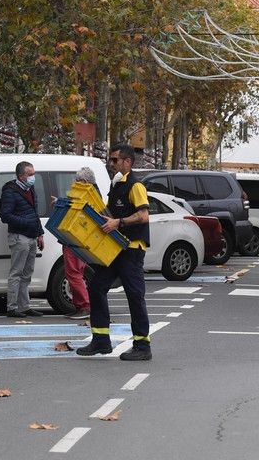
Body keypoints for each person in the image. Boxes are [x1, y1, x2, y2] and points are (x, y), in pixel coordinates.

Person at [77, 144, 151, 361]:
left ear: (127, 162)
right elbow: (109, 212)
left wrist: (118, 223)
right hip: (115, 248)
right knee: (97, 287)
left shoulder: (135, 185)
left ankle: (142, 346)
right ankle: (101, 340)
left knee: (135, 296)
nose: (111, 164)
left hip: (132, 250)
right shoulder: (117, 183)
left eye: (114, 160)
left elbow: (143, 215)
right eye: (110, 160)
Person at [0, 160, 44, 318]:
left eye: (33, 173)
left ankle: (24, 306)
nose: (33, 177)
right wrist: (26, 223)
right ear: (21, 176)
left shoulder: (30, 189)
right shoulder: (10, 191)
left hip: (31, 236)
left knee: (27, 273)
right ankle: (12, 307)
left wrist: (40, 233)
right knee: (16, 273)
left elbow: (34, 213)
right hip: (19, 236)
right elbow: (5, 216)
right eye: (30, 174)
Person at [58, 167, 101, 320]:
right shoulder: (93, 195)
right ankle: (80, 306)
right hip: (78, 238)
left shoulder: (87, 195)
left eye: (79, 180)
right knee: (75, 273)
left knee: (74, 273)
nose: (76, 183)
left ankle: (84, 306)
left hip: (76, 238)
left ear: (85, 182)